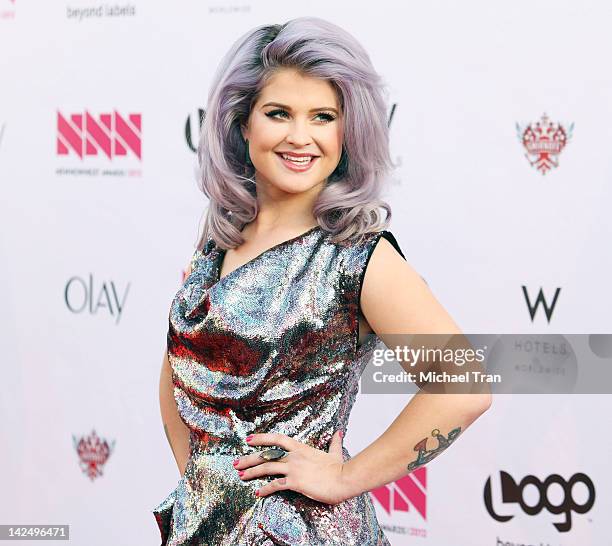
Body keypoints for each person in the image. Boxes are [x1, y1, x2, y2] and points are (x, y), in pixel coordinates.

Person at [154, 16, 491, 546]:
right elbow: (179, 375)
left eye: (323, 117)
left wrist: (342, 477)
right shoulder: (221, 236)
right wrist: (205, 488)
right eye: (278, 113)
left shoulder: (357, 255)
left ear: (347, 131)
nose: (300, 136)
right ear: (243, 124)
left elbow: (463, 387)